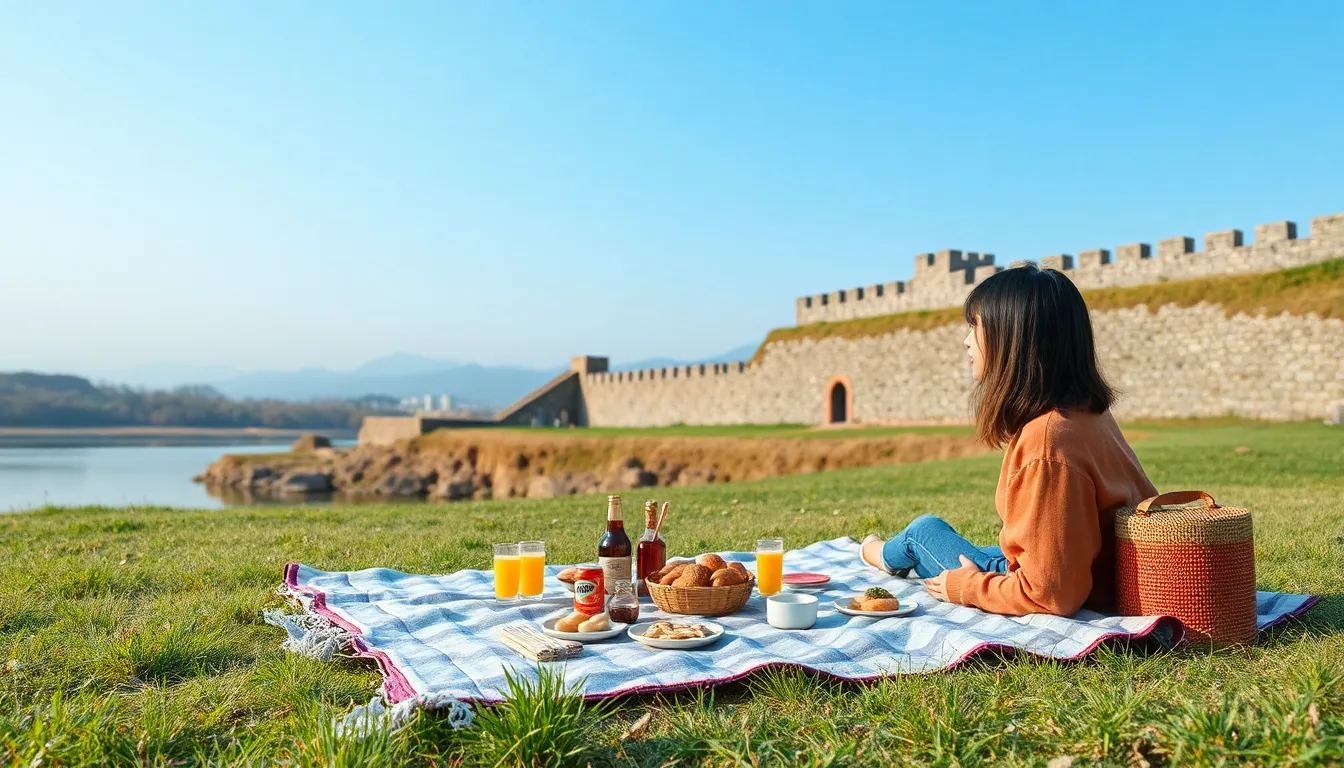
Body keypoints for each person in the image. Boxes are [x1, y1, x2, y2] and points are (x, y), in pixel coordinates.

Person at [858, 264, 1157, 616]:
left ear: (1012, 339)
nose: (966, 340)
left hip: (1088, 586)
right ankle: (889, 551)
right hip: (1096, 568)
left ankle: (879, 554)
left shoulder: (1047, 442)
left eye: (976, 327)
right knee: (985, 548)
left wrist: (966, 587)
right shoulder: (1087, 415)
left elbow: (1052, 593)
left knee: (923, 533)